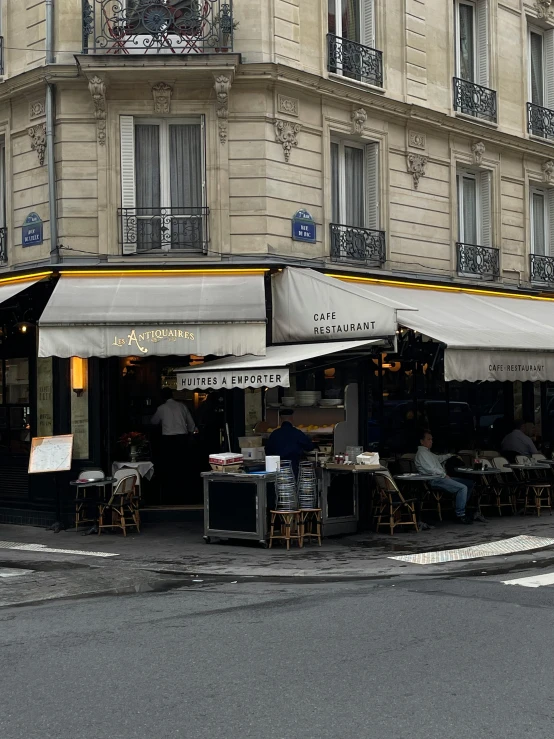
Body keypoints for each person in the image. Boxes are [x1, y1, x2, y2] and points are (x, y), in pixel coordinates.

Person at [415, 430, 474, 524]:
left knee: (469, 484)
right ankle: (460, 514)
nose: (431, 441)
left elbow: (439, 458)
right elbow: (431, 469)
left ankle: (461, 505)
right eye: (428, 439)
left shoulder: (427, 453)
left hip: (441, 477)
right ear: (422, 441)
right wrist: (443, 474)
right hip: (435, 480)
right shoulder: (422, 454)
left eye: (431, 439)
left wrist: (450, 455)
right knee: (463, 488)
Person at [151, 388, 198, 501]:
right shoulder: (182, 406)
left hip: (168, 440)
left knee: (169, 465)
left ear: (162, 397)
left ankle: (171, 490)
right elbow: (191, 425)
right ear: (172, 395)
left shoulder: (161, 408)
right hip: (182, 438)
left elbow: (153, 422)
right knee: (183, 465)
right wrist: (193, 432)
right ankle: (183, 489)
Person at [265, 409, 314, 475]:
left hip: (278, 469)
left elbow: (268, 451)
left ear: (281, 420)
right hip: (293, 469)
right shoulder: (297, 433)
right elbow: (310, 447)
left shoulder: (274, 434)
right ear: (291, 418)